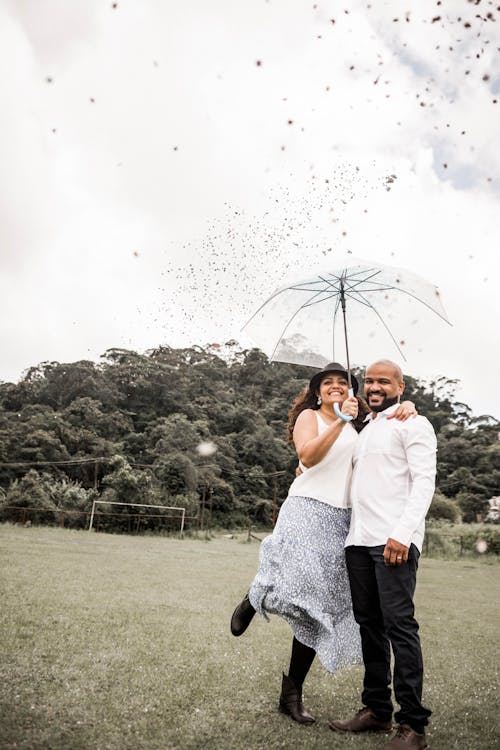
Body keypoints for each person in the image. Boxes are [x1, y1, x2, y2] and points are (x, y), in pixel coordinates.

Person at [230, 362, 416, 725]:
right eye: (327, 383)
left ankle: (291, 693)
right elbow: (308, 457)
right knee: (294, 583)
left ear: (351, 391)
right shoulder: (312, 418)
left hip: (343, 520)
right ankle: (255, 596)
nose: (334, 387)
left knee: (317, 608)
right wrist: (340, 421)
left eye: (342, 383)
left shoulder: (362, 425)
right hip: (306, 509)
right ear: (317, 391)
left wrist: (408, 408)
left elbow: (384, 434)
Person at [330, 360, 436, 750]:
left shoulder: (414, 423)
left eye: (383, 381)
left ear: (400, 386)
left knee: (399, 627)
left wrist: (402, 534)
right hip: (358, 541)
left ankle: (413, 726)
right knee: (369, 627)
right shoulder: (365, 430)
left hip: (393, 542)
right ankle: (376, 710)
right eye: (370, 380)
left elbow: (425, 482)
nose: (375, 386)